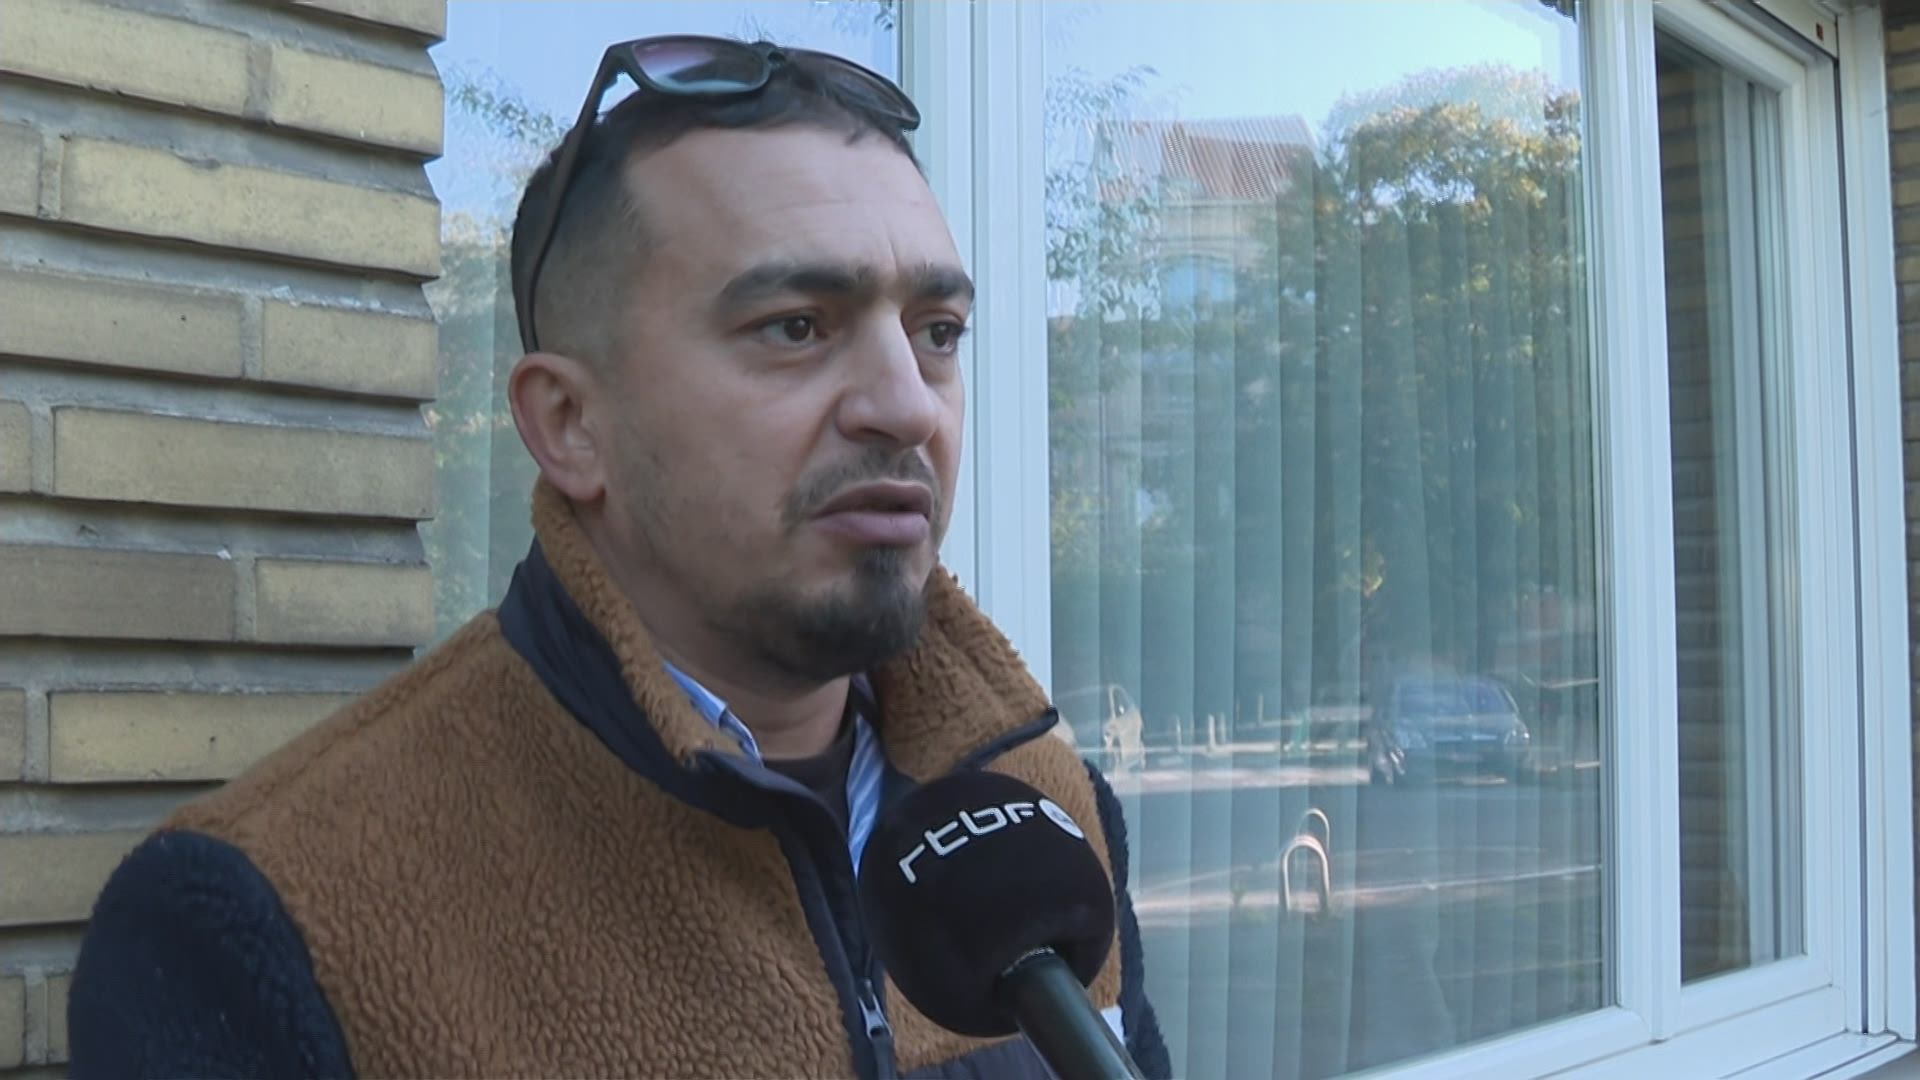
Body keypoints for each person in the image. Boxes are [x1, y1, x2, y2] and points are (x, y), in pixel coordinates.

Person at [66, 35, 1170, 1080]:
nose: (907, 405)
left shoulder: (1047, 814)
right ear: (569, 425)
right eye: (796, 326)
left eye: (937, 333)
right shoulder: (278, 921)